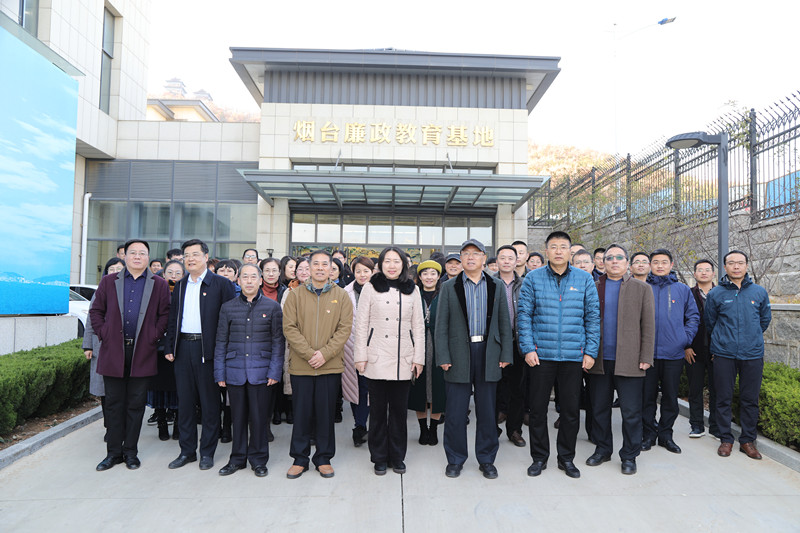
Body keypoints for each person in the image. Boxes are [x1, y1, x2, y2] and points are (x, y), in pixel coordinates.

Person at [518, 231, 600, 479]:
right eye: (553, 247)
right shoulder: (533, 278)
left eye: (563, 247)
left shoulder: (584, 279)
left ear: (570, 251)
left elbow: (592, 317)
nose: (558, 251)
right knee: (538, 410)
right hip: (540, 355)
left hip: (573, 356)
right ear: (546, 251)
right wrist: (528, 348)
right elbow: (524, 316)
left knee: (571, 412)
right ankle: (539, 457)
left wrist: (591, 351)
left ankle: (566, 458)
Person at [435, 239, 513, 479]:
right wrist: (443, 355)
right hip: (458, 353)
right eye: (466, 253)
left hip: (489, 352)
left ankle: (487, 459)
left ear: (483, 258)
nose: (471, 257)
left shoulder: (496, 285)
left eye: (476, 253)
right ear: (460, 258)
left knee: (487, 411)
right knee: (456, 412)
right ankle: (455, 459)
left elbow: (504, 321)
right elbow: (441, 325)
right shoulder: (449, 287)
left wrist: (505, 353)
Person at [90, 239, 171, 471]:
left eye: (142, 253)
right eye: (133, 253)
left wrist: (153, 336)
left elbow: (165, 315)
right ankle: (113, 453)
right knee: (114, 404)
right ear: (124, 256)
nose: (137, 256)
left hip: (143, 351)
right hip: (113, 350)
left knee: (136, 405)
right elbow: (96, 311)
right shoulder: (109, 281)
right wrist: (104, 333)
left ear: (148, 257)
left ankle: (130, 453)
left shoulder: (159, 284)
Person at [164, 239, 236, 471]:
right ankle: (187, 452)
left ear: (206, 257)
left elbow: (230, 321)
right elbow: (173, 318)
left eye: (195, 254)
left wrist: (224, 353)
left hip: (209, 351)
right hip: (183, 348)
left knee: (209, 404)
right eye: (187, 255)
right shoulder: (181, 285)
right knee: (185, 404)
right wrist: (170, 347)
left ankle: (207, 452)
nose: (190, 259)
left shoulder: (221, 284)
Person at [282, 250, 353, 479]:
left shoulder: (341, 296)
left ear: (332, 268)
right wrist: (309, 353)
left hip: (329, 365)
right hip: (301, 365)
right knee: (301, 414)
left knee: (325, 414)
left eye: (325, 264)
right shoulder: (295, 295)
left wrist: (324, 354)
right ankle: (299, 459)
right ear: (309, 267)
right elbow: (289, 327)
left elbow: (344, 329)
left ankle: (324, 458)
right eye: (316, 264)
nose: (320, 268)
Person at [354, 246, 424, 475]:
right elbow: (361, 324)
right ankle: (379, 457)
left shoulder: (412, 289)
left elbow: (418, 326)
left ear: (404, 265)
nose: (392, 265)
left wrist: (419, 358)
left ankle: (397, 456)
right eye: (387, 261)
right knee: (377, 412)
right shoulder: (370, 287)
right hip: (375, 356)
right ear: (380, 265)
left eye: (396, 261)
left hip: (403, 358)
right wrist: (360, 356)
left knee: (398, 412)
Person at [586, 244, 654, 475]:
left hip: (631, 360)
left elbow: (648, 325)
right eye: (609, 258)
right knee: (599, 409)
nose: (614, 261)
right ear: (602, 262)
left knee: (631, 412)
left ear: (627, 263)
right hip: (599, 360)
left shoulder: (641, 288)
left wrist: (646, 356)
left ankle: (629, 455)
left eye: (619, 257)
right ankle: (603, 449)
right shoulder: (593, 287)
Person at [214, 263, 285, 477]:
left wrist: (275, 371)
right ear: (238, 280)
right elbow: (221, 341)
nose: (249, 281)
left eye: (253, 277)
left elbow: (278, 342)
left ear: (260, 280)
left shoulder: (273, 307)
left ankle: (259, 460)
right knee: (237, 418)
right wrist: (220, 372)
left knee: (259, 419)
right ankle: (237, 459)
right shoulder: (228, 307)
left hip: (262, 373)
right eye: (245, 277)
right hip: (234, 371)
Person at [705, 251, 771, 460]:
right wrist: (723, 341)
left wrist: (750, 337)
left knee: (750, 399)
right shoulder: (716, 293)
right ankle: (726, 439)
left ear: (746, 266)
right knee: (723, 398)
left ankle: (747, 441)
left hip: (752, 354)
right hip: (724, 354)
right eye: (731, 263)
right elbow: (710, 322)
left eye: (740, 263)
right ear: (725, 267)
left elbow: (764, 320)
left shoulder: (759, 292)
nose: (736, 266)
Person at [642, 249, 699, 454]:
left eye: (664, 262)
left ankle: (666, 435)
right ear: (650, 265)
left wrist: (684, 339)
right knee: (646, 398)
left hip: (673, 354)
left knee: (670, 397)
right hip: (647, 354)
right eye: (656, 262)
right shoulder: (643, 287)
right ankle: (648, 434)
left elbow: (693, 317)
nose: (660, 266)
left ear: (671, 265)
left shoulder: (682, 289)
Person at [83, 258, 125, 443]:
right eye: (111, 269)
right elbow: (91, 319)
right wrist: (88, 345)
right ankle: (110, 426)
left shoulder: (130, 291)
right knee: (105, 392)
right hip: (102, 346)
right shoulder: (101, 290)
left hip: (124, 347)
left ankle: (122, 426)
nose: (115, 272)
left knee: (122, 391)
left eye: (119, 269)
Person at [409, 260, 446, 446]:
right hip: (418, 347)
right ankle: (423, 429)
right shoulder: (413, 294)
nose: (429, 277)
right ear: (419, 276)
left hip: (439, 347)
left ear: (438, 276)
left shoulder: (445, 294)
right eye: (425, 273)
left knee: (438, 390)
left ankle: (434, 429)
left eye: (433, 273)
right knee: (419, 389)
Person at [147, 260, 184, 441]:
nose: (173, 276)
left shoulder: (186, 293)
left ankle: (178, 424)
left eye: (178, 273)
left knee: (179, 389)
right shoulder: (155, 293)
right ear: (163, 274)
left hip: (179, 348)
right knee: (159, 388)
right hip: (158, 349)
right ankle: (161, 423)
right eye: (170, 273)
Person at [494, 245, 526, 447]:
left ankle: (514, 430)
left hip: (518, 343)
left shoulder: (526, 284)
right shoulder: (488, 282)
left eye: (510, 258)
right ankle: (492, 430)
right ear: (497, 261)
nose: (506, 261)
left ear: (517, 261)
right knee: (494, 389)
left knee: (518, 389)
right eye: (502, 258)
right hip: (495, 344)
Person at [342, 256, 375, 447]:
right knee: (354, 388)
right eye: (358, 271)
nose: (362, 275)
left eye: (366, 271)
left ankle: (362, 426)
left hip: (373, 348)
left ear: (372, 272)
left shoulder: (380, 290)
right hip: (350, 347)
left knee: (368, 388)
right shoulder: (345, 293)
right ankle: (359, 425)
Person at [686, 259, 719, 439]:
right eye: (700, 270)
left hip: (717, 351)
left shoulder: (720, 293)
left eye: (707, 270)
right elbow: (681, 321)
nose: (704, 273)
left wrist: (719, 349)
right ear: (695, 274)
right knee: (695, 389)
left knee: (717, 390)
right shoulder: (688, 294)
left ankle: (716, 427)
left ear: (713, 273)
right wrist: (686, 346)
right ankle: (697, 425)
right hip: (694, 350)